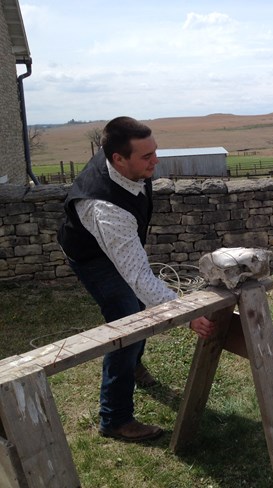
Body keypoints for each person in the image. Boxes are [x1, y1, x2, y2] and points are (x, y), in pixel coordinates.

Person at [58, 116, 216, 442]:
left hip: (115, 241)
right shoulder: (105, 208)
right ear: (117, 159)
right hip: (91, 257)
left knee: (140, 307)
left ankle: (133, 367)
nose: (155, 161)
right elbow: (139, 277)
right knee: (127, 319)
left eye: (154, 151)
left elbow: (136, 268)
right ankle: (114, 418)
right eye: (147, 157)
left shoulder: (128, 162)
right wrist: (186, 314)